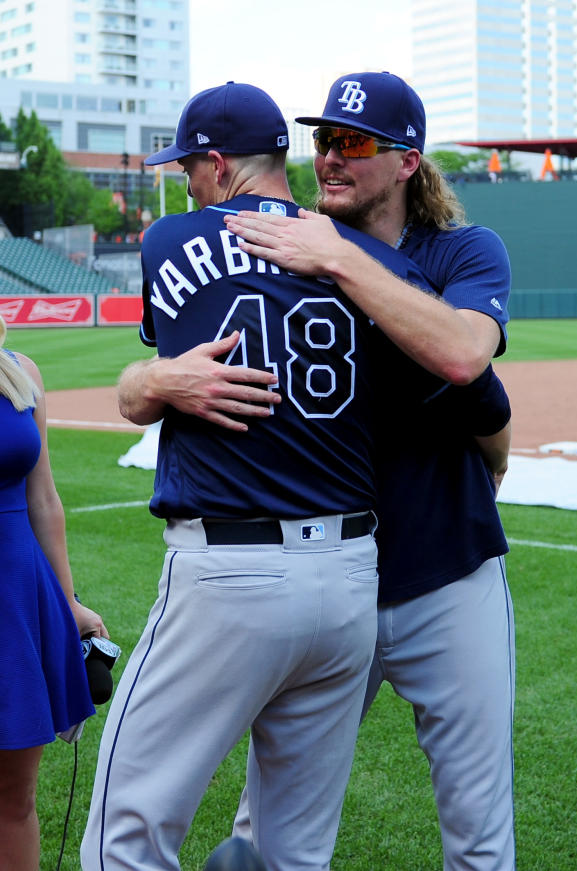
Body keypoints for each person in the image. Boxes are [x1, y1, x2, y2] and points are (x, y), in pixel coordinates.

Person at [80, 82, 439, 871]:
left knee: (123, 836)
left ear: (217, 163)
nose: (186, 182)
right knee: (292, 854)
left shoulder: (172, 240)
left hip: (230, 572)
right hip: (348, 581)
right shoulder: (367, 258)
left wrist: (153, 380)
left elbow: (150, 380)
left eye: (189, 168)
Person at [223, 72, 516, 871]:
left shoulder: (462, 250)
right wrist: (142, 384)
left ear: (408, 161)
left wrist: (343, 262)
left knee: (480, 834)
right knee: (267, 830)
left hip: (447, 574)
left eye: (352, 143)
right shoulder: (290, 248)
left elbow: (462, 355)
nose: (330, 159)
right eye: (323, 141)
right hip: (325, 581)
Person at [0, 315, 108, 871]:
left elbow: (44, 501)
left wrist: (67, 605)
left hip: (16, 599)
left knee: (14, 802)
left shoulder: (18, 372)